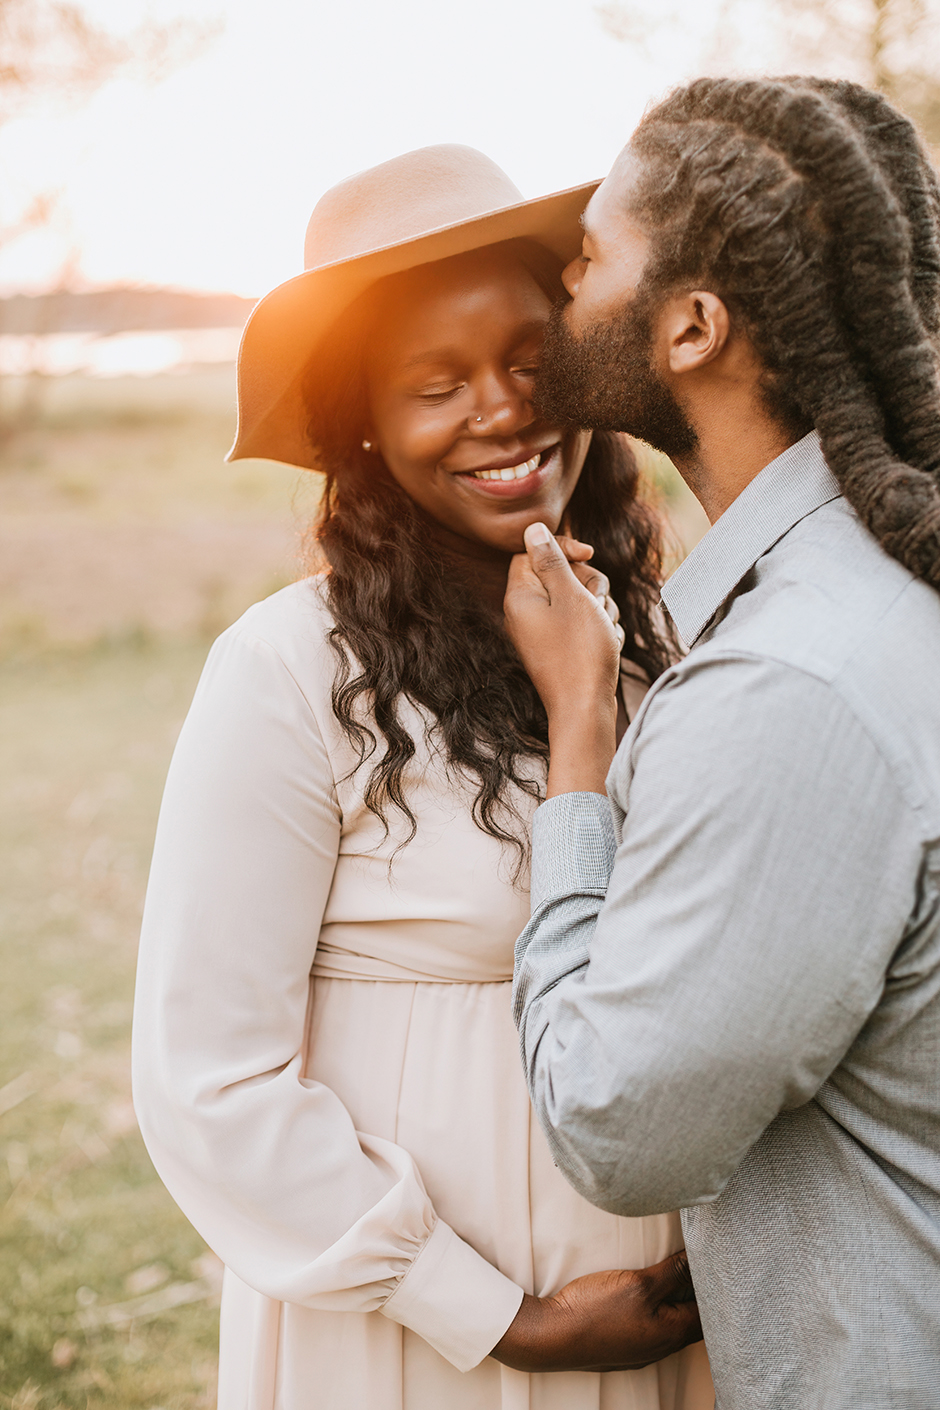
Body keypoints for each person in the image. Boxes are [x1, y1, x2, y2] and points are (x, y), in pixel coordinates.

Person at [131, 145, 712, 1410]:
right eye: (435, 384)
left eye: (525, 356)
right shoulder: (290, 672)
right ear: (366, 428)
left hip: (665, 1320)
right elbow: (208, 1085)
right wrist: (495, 1316)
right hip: (411, 1348)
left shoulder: (658, 632)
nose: (502, 410)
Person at [504, 76, 940, 1410]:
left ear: (690, 325)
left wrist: (580, 746)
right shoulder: (876, 592)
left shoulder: (788, 689)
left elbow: (617, 1123)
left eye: (589, 256)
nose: (559, 289)